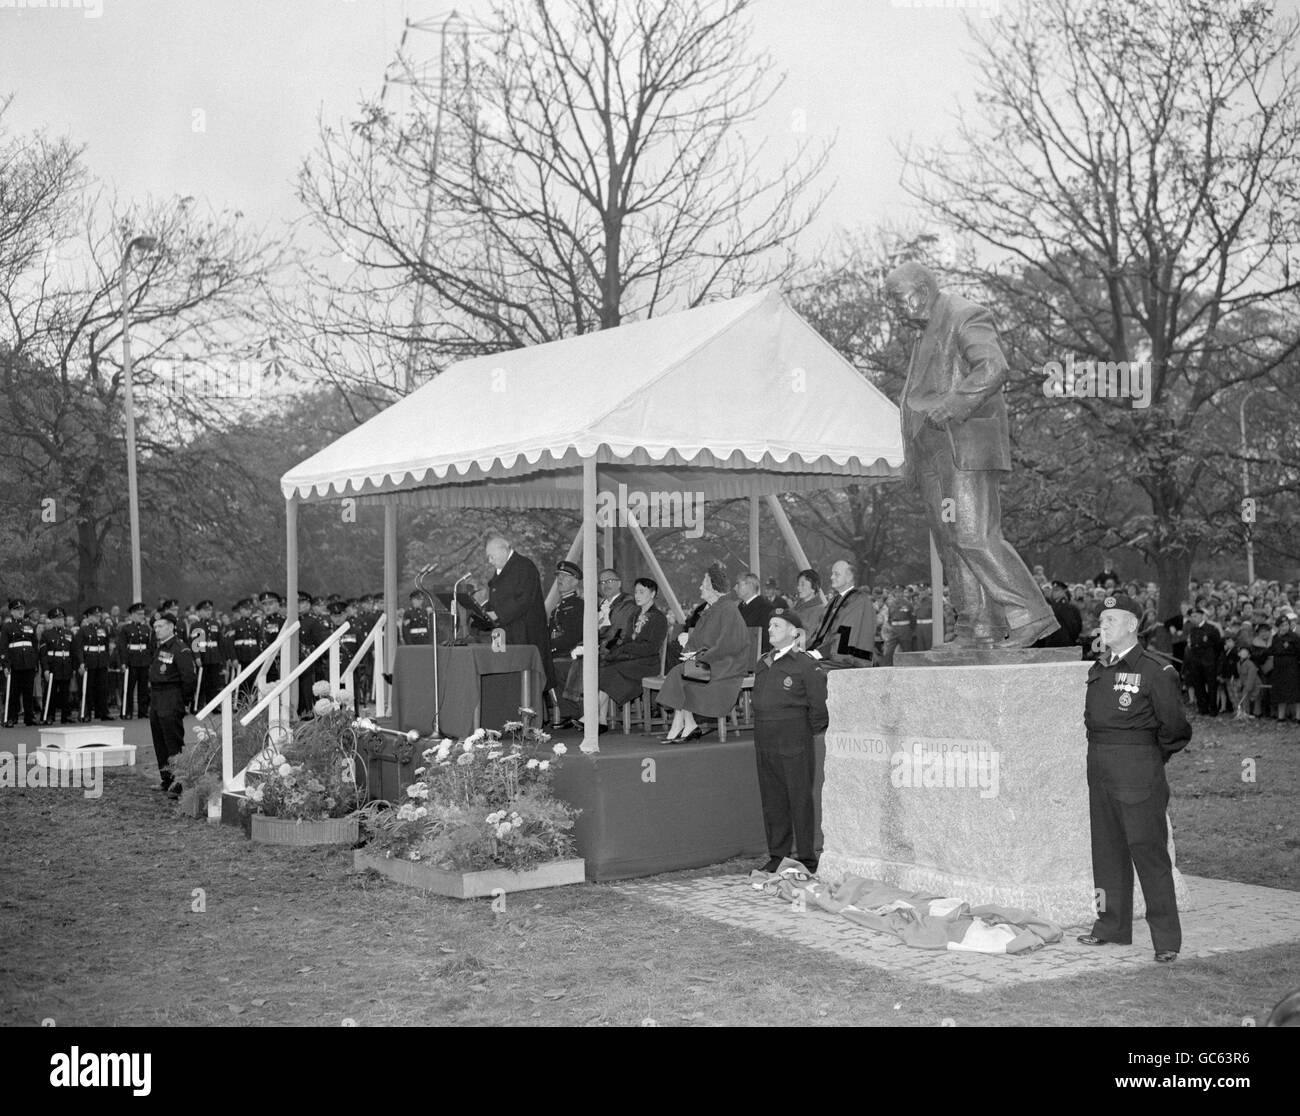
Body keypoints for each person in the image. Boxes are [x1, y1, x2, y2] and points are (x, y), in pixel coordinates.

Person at [884, 261, 1058, 648]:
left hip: (963, 446)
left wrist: (954, 403)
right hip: (933, 454)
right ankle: (977, 626)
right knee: (950, 541)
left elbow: (993, 367)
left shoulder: (964, 314)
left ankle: (1031, 614)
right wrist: (913, 459)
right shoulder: (923, 332)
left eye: (898, 298)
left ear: (922, 290)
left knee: (973, 534)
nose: (894, 308)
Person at [1077, 593, 1190, 963]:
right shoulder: (1099, 668)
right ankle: (1110, 924)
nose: (1102, 626)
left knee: (1149, 853)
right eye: (1101, 620)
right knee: (1106, 853)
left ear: (1131, 625)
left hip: (1138, 773)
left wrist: (1148, 759)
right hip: (1101, 771)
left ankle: (1166, 939)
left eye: (1111, 620)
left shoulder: (1156, 670)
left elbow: (1175, 728)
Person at [751, 609, 829, 875]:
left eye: (777, 625)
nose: (770, 629)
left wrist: (805, 731)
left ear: (794, 632)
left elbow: (819, 705)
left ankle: (807, 857)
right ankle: (778, 854)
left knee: (799, 799)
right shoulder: (763, 662)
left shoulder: (805, 664)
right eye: (770, 624)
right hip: (764, 737)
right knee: (773, 800)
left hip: (793, 736)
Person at [657, 563, 751, 743]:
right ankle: (687, 723)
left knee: (682, 671)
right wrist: (689, 653)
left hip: (725, 666)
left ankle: (682, 723)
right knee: (682, 670)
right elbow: (696, 641)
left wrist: (698, 658)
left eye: (704, 584)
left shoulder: (728, 609)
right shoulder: (712, 609)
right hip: (711, 663)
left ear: (714, 588)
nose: (700, 587)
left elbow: (727, 646)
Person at [590, 577, 668, 733]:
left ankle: (592, 717)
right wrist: (619, 649)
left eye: (642, 592)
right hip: (631, 661)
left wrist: (626, 648)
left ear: (652, 594)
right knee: (604, 667)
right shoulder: (634, 616)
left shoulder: (658, 618)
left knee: (610, 670)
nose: (637, 595)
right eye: (636, 592)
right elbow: (624, 639)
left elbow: (651, 648)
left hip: (648, 664)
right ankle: (600, 720)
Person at [484, 534, 553, 694]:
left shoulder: (524, 566)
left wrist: (497, 615)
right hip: (505, 632)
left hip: (524, 633)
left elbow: (523, 600)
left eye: (491, 556)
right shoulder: (504, 568)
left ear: (503, 550)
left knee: (525, 684)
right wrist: (487, 613)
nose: (490, 561)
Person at [149, 612, 196, 796]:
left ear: (171, 626)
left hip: (171, 697)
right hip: (157, 698)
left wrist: (182, 701)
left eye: (160, 626)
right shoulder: (160, 648)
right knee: (159, 741)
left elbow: (189, 678)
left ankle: (179, 783)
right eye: (155, 627)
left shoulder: (180, 648)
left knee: (173, 743)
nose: (157, 630)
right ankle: (166, 779)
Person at [805, 559, 876, 668]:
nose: (831, 577)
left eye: (836, 574)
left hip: (850, 662)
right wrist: (806, 648)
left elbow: (845, 635)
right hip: (831, 656)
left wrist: (818, 653)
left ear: (849, 577)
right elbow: (821, 631)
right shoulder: (835, 600)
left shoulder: (859, 602)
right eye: (832, 574)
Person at [548, 560, 585, 729]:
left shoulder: (578, 605)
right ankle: (569, 713)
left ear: (575, 581)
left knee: (554, 667)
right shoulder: (559, 605)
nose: (559, 579)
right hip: (560, 652)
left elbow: (573, 636)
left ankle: (577, 712)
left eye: (564, 576)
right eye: (558, 576)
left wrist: (551, 647)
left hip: (572, 653)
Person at [1, 597, 40, 727]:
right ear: (11, 612)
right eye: (17, 610)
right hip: (15, 663)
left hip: (28, 663)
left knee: (28, 692)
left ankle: (30, 717)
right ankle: (11, 717)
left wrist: (35, 663)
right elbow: (4, 647)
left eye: (22, 609)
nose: (20, 612)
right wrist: (5, 664)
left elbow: (34, 646)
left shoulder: (29, 626)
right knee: (14, 693)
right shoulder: (7, 627)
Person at [74, 605, 112, 721]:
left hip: (101, 663)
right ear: (89, 617)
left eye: (99, 616)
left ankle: (103, 712)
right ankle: (86, 713)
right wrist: (81, 663)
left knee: (102, 688)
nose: (98, 618)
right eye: (95, 616)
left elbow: (106, 646)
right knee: (88, 689)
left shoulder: (103, 629)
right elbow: (78, 648)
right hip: (89, 662)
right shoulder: (83, 630)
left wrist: (107, 662)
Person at [1182, 606, 1222, 716]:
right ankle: (1202, 708)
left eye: (1195, 616)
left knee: (1211, 685)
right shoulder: (1192, 630)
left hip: (1209, 662)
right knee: (1198, 685)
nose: (1193, 619)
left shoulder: (1211, 629)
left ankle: (1213, 708)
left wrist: (1213, 658)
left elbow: (1218, 646)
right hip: (1196, 662)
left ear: (1201, 616)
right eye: (1191, 617)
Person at [119, 602, 156, 719]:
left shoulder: (146, 628)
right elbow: (122, 647)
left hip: (144, 661)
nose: (142, 616)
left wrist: (151, 660)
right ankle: (127, 711)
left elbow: (150, 646)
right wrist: (124, 662)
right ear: (132, 615)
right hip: (132, 661)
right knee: (129, 688)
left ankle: (143, 711)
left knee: (143, 688)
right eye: (139, 614)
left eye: (143, 614)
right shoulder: (126, 629)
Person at [38, 607, 75, 724]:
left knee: (65, 693)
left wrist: (73, 667)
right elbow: (43, 654)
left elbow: (73, 652)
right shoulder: (47, 634)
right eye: (57, 618)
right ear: (52, 620)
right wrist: (46, 669)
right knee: (51, 693)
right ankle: (49, 715)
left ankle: (66, 716)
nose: (60, 621)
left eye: (62, 618)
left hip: (66, 666)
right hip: (53, 666)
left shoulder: (69, 633)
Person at [191, 600, 224, 710]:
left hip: (214, 657)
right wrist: (197, 657)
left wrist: (221, 658)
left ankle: (213, 706)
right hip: (203, 657)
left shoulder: (216, 624)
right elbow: (195, 643)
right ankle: (198, 706)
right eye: (205, 610)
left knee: (214, 683)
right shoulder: (196, 625)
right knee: (201, 683)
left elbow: (220, 642)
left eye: (210, 610)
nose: (208, 612)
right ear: (199, 612)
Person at [1268, 614, 1300, 721]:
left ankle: (1298, 716)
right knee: (1280, 692)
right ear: (1278, 627)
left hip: (1292, 667)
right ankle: (1281, 716)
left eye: (1286, 625)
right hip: (1279, 668)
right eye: (1282, 625)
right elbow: (1272, 650)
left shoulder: (1294, 637)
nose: (1284, 627)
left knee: (1295, 692)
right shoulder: (1275, 638)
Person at [1035, 580, 1083, 649]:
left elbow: (1076, 628)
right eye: (1053, 590)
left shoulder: (1071, 608)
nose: (1054, 593)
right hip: (1051, 645)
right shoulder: (1049, 608)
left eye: (1057, 590)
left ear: (1064, 592)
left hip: (1065, 644)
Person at [736, 572, 776, 654]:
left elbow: (766, 637)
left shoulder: (765, 607)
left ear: (750, 586)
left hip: (756, 656)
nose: (736, 588)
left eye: (739, 585)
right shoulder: (740, 606)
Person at [790, 569, 827, 637]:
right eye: (798, 584)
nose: (798, 587)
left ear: (814, 587)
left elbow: (809, 638)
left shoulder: (821, 611)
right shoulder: (795, 608)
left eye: (803, 584)